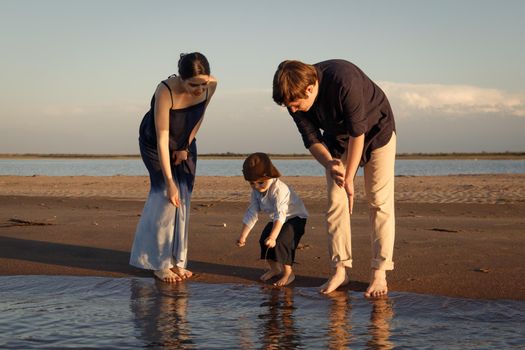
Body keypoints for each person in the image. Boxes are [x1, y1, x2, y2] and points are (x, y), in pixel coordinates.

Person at [272, 59, 396, 297]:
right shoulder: (293, 98)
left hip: (377, 132)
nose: (293, 110)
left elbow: (357, 134)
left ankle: (380, 272)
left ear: (309, 89)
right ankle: (340, 270)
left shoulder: (343, 80)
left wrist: (349, 178)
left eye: (296, 104)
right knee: (335, 202)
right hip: (338, 142)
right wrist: (330, 163)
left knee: (379, 202)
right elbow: (312, 140)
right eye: (290, 106)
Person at [130, 52, 217, 283]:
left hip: (185, 142)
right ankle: (159, 263)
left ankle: (178, 262)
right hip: (155, 144)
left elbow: (199, 118)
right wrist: (169, 182)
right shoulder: (165, 91)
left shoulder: (211, 85)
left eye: (203, 84)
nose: (199, 90)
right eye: (193, 85)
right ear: (181, 78)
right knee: (166, 201)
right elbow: (162, 137)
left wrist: (185, 146)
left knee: (183, 200)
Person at [236, 153, 308, 287]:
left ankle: (288, 273)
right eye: (252, 183)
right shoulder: (256, 192)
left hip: (295, 218)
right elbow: (252, 212)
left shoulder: (279, 190)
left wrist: (274, 237)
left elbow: (280, 214)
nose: (257, 186)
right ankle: (275, 269)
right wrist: (243, 236)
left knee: (281, 241)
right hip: (277, 219)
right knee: (264, 239)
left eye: (261, 182)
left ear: (270, 176)